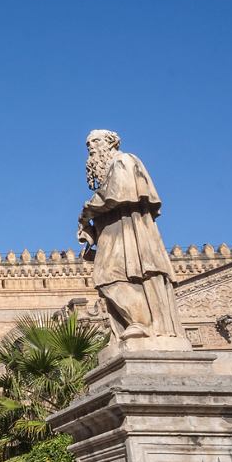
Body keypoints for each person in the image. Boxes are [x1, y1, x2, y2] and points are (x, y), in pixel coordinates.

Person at [78, 129, 182, 342]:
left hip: (127, 230)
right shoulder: (110, 170)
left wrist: (87, 209)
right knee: (110, 275)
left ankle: (141, 322)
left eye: (95, 141)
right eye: (88, 144)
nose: (91, 147)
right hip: (114, 228)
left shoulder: (124, 161)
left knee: (109, 275)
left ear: (111, 143)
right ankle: (136, 322)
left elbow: (118, 193)